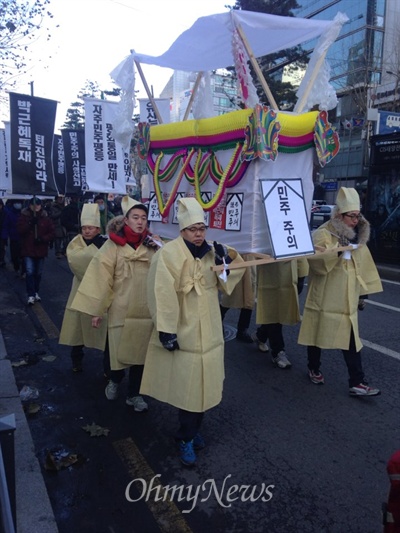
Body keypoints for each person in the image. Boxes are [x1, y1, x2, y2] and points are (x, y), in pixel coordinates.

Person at [140, 197, 245, 466]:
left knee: (205, 383)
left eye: (202, 228)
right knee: (188, 386)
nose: (198, 234)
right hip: (184, 324)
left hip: (208, 325)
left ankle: (192, 430)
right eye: (192, 230)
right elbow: (161, 292)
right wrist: (166, 329)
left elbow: (231, 274)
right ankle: (185, 436)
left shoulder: (211, 250)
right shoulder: (169, 253)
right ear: (182, 230)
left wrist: (226, 260)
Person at [71, 196, 161, 411]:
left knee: (141, 356)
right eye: (135, 217)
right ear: (126, 220)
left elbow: (169, 272)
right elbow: (101, 279)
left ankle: (135, 394)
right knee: (116, 351)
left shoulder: (153, 245)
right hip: (119, 309)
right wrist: (97, 310)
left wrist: (160, 248)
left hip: (145, 311)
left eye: (144, 218)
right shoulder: (112, 246)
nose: (140, 222)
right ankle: (114, 380)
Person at [298, 187, 383, 396]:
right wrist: (336, 252)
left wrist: (363, 294)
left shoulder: (357, 237)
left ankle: (357, 381)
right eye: (351, 216)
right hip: (326, 296)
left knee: (352, 339)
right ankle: (313, 366)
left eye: (357, 216)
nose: (355, 221)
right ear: (339, 215)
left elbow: (364, 265)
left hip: (347, 297)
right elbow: (315, 262)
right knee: (317, 332)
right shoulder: (324, 233)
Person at [59, 203, 108, 372]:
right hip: (80, 289)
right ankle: (76, 361)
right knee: (77, 329)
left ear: (98, 229)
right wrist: (96, 251)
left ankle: (108, 368)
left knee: (105, 330)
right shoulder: (76, 242)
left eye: (91, 228)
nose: (87, 231)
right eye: (85, 228)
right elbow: (76, 262)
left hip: (101, 290)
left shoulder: (105, 243)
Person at [252, 258, 308, 368]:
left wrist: (302, 270)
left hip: (294, 265)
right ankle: (278, 351)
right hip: (271, 270)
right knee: (274, 310)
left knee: (281, 309)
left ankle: (261, 335)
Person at [16, 197, 55, 305]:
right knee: (29, 271)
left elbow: (52, 232)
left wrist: (43, 239)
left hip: (40, 249)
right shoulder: (24, 217)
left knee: (38, 272)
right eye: (33, 205)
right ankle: (31, 294)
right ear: (29, 206)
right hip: (28, 249)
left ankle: (36, 291)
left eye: (37, 205)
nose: (35, 207)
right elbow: (19, 230)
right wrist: (29, 224)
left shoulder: (45, 218)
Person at [219, 254, 256, 343]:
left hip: (251, 258)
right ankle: (218, 324)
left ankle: (242, 330)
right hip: (236, 257)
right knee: (229, 294)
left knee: (249, 297)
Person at [1, 200, 25, 276]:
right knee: (14, 256)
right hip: (13, 238)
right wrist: (4, 236)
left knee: (24, 255)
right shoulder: (10, 214)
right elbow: (6, 226)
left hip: (23, 238)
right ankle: (16, 267)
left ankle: (23, 271)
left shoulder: (24, 213)